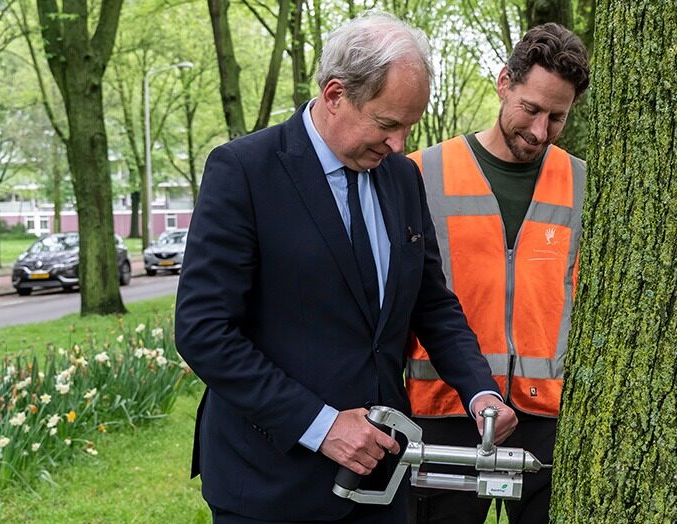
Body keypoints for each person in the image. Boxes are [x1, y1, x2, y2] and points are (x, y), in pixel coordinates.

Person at [175, 11, 517, 524]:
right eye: (387, 124)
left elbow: (431, 302)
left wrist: (479, 389)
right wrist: (322, 425)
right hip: (272, 485)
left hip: (382, 482)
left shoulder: (400, 179)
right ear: (335, 95)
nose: (400, 143)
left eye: (408, 126)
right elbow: (203, 332)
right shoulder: (243, 171)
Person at [405, 23, 590, 524]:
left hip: (546, 417)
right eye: (530, 109)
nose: (539, 131)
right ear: (504, 81)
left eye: (557, 118)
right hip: (443, 409)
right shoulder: (421, 173)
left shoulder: (582, 184)